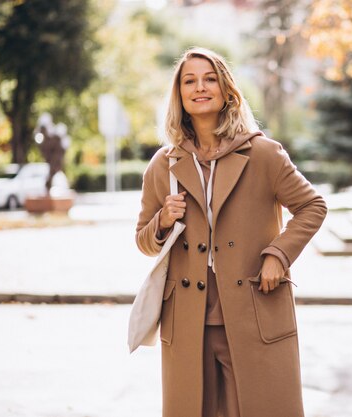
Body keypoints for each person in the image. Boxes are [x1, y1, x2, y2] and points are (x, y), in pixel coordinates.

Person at [135, 47, 327, 417]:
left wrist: (278, 254)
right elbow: (142, 239)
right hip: (187, 318)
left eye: (209, 79)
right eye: (189, 81)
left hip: (254, 308)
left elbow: (312, 206)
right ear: (179, 96)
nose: (199, 87)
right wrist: (161, 221)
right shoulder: (164, 164)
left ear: (227, 91)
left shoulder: (263, 154)